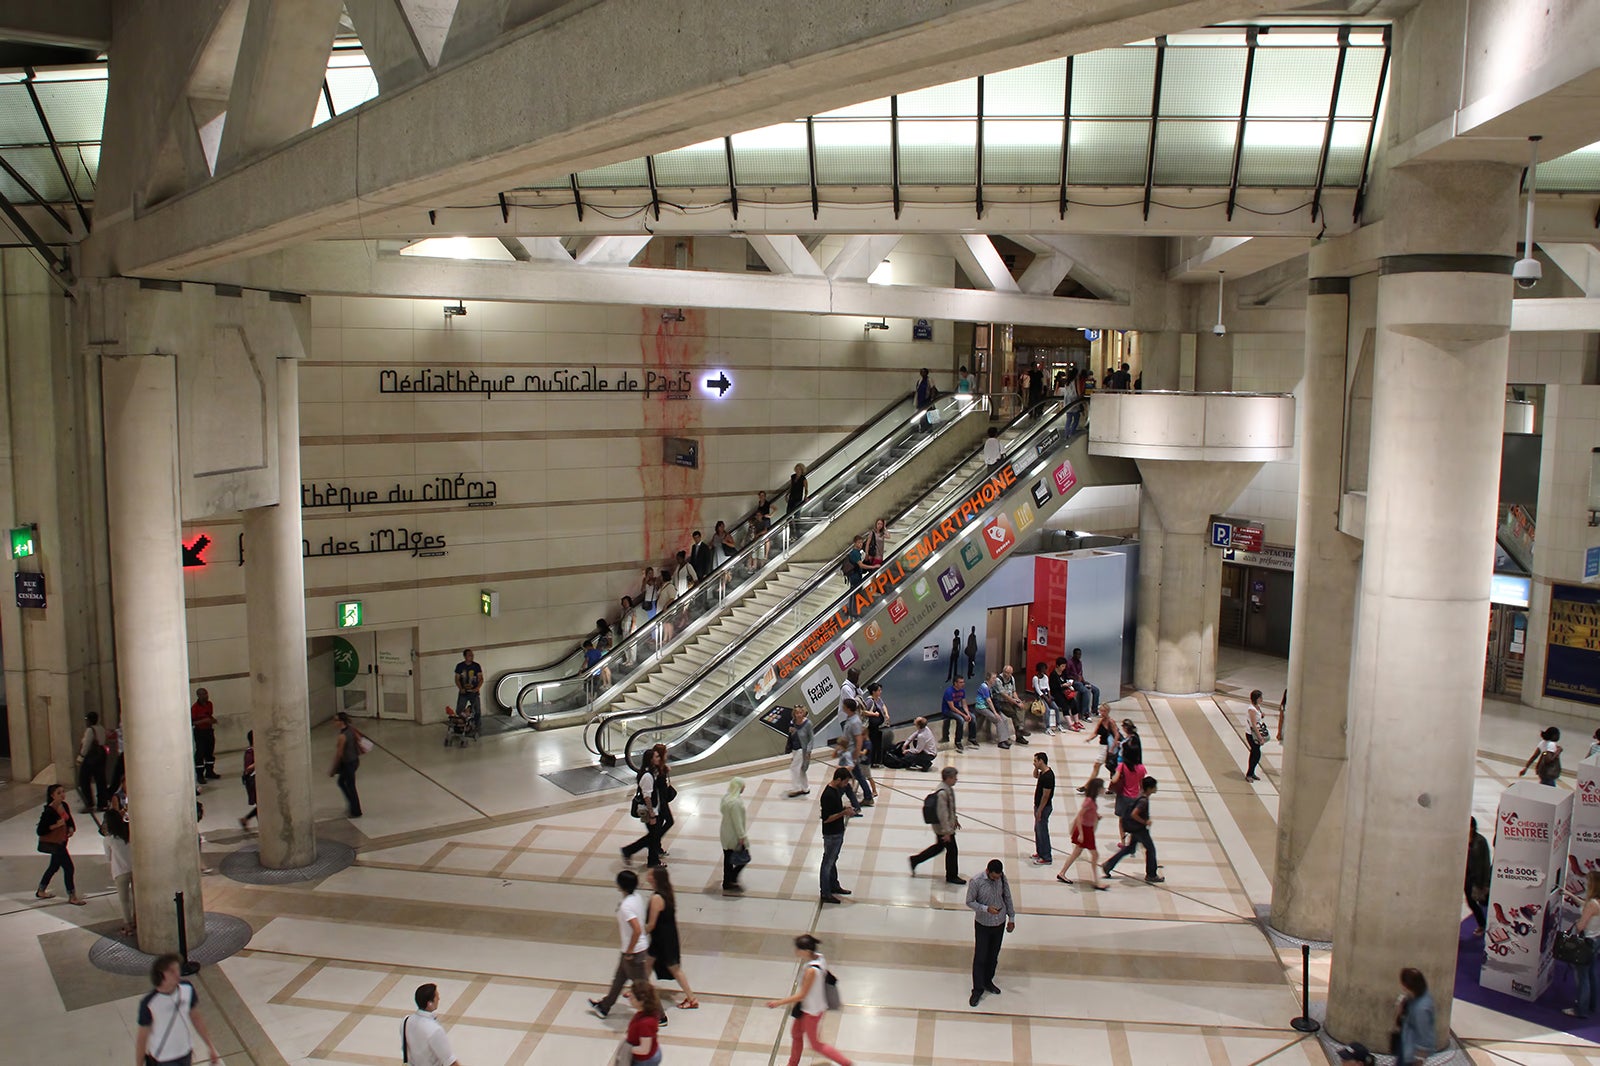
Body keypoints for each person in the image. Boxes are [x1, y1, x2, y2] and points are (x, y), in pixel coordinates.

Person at [589, 871, 666, 1022]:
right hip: (632, 949)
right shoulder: (636, 897)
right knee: (619, 979)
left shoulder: (626, 907)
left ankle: (660, 1015)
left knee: (644, 986)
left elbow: (636, 929)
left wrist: (630, 951)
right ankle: (605, 1006)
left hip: (634, 952)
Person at [766, 934, 852, 1066]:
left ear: (806, 951)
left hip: (811, 1011)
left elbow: (802, 995)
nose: (795, 952)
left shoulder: (811, 971)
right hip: (810, 1006)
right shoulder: (820, 958)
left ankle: (846, 1063)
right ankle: (792, 1063)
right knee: (796, 1033)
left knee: (815, 1044)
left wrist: (778, 1002)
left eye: (798, 949)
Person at [137, 953, 220, 1066]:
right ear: (161, 975)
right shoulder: (150, 1003)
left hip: (185, 1051)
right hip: (164, 1058)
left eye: (177, 969)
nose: (177, 974)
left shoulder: (187, 988)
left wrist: (210, 1046)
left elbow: (196, 1018)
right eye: (172, 971)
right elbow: (142, 1037)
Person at [646, 865, 700, 1009]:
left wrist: (639, 932)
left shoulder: (657, 898)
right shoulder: (667, 893)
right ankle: (639, 990)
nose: (647, 876)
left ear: (655, 878)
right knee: (648, 963)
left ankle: (691, 998)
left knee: (674, 968)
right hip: (667, 936)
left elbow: (651, 923)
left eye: (650, 874)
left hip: (662, 939)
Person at [966, 859, 1015, 1007]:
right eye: (994, 877)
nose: (996, 879)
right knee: (980, 957)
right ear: (988, 872)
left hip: (999, 923)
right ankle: (977, 989)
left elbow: (1007, 897)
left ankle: (988, 981)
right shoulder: (976, 881)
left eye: (998, 877)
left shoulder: (1002, 878)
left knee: (993, 955)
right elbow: (969, 901)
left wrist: (1011, 918)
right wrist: (986, 908)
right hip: (983, 924)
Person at [1102, 776, 1163, 884]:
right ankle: (1151, 874)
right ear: (1149, 788)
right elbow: (1134, 814)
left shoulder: (1140, 795)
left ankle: (1108, 865)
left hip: (1134, 828)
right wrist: (1145, 822)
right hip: (1139, 829)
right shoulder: (1143, 800)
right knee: (1151, 849)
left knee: (1129, 848)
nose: (1156, 788)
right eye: (1154, 787)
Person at [909, 766, 963, 884]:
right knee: (952, 850)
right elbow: (942, 814)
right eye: (954, 778)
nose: (956, 780)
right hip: (942, 828)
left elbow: (950, 809)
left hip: (944, 827)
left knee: (939, 847)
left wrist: (955, 819)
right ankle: (952, 876)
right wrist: (947, 832)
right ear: (948, 778)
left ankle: (915, 860)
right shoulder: (942, 793)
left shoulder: (947, 788)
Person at [35, 783, 84, 905]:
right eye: (59, 793)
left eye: (63, 792)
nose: (62, 795)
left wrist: (71, 828)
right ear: (52, 796)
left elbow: (69, 820)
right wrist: (56, 825)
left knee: (54, 866)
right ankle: (72, 896)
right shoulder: (49, 811)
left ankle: (41, 890)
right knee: (69, 868)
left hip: (62, 841)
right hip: (56, 844)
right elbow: (40, 830)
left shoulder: (64, 806)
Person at [1057, 778, 1111, 889]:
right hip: (1085, 831)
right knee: (1095, 855)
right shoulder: (1089, 801)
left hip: (1087, 829)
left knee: (1076, 853)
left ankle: (1062, 873)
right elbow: (1080, 816)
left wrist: (1096, 815)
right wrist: (1081, 834)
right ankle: (1096, 881)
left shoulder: (1091, 800)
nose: (1103, 789)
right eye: (1102, 788)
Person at [819, 767, 859, 904]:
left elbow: (835, 810)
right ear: (838, 779)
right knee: (827, 863)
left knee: (832, 860)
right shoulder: (828, 795)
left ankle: (834, 885)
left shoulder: (836, 790)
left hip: (838, 831)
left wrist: (845, 810)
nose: (846, 784)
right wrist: (843, 813)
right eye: (845, 781)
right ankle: (825, 892)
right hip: (831, 834)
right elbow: (826, 818)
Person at [621, 748, 666, 867]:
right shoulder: (647, 776)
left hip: (655, 810)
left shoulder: (651, 772)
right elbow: (647, 797)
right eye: (656, 757)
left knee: (653, 836)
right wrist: (652, 814)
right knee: (653, 836)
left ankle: (648, 858)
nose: (659, 758)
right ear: (650, 760)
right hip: (650, 811)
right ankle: (650, 859)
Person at [1565, 870, 1600, 1018]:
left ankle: (1581, 1009)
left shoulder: (1592, 904)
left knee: (1582, 976)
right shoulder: (1596, 902)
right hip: (1596, 941)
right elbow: (1586, 905)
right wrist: (1569, 894)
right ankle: (1591, 1005)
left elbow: (1581, 926)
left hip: (1586, 942)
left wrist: (1576, 923)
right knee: (1591, 974)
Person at [401, 983, 462, 1066]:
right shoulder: (435, 1030)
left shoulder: (406, 1021)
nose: (439, 999)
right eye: (436, 997)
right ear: (429, 1003)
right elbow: (450, 1061)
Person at [102, 803, 135, 936]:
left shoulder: (108, 839)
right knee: (136, 897)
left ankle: (128, 925)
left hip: (120, 871)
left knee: (124, 900)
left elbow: (108, 857)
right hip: (133, 869)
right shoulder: (128, 833)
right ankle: (138, 919)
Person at [1107, 738, 1147, 850]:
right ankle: (1132, 842)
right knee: (1134, 820)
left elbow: (1114, 780)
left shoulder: (1122, 766)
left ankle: (1123, 842)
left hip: (1124, 796)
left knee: (1122, 820)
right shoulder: (1141, 768)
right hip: (1136, 796)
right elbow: (1141, 783)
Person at [1391, 968, 1435, 1065]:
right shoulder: (1415, 997)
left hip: (1412, 1053)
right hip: (1406, 1042)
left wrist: (1419, 1060)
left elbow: (1424, 1035)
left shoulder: (1421, 1009)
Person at [840, 699, 875, 806]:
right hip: (848, 753)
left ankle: (838, 798)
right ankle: (867, 797)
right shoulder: (850, 719)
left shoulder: (855, 721)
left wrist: (855, 755)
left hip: (852, 754)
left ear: (848, 708)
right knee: (857, 776)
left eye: (844, 705)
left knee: (843, 775)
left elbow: (859, 739)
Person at [330, 712, 364, 818]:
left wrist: (333, 769)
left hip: (348, 763)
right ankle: (352, 805)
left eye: (335, 720)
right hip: (354, 761)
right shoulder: (351, 729)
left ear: (341, 722)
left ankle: (356, 810)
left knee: (350, 786)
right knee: (342, 782)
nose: (334, 723)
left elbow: (339, 754)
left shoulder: (342, 736)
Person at [1080, 705, 1119, 793]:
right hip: (1102, 747)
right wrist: (1089, 738)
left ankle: (1087, 786)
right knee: (1110, 767)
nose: (1102, 713)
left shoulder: (1111, 722)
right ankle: (1112, 787)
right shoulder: (1101, 721)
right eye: (1100, 711)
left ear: (1108, 711)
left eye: (1103, 711)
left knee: (1099, 765)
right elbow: (1095, 732)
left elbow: (1116, 734)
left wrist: (1112, 747)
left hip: (1108, 747)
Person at [721, 777, 750, 892]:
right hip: (733, 835)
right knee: (742, 858)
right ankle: (729, 879)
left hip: (725, 832)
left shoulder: (726, 798)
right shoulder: (736, 803)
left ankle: (728, 880)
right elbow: (737, 822)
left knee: (727, 858)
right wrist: (742, 836)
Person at [624, 983, 664, 1065]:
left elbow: (644, 1049)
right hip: (650, 1052)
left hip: (644, 1060)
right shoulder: (645, 1012)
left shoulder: (645, 1023)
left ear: (641, 1001)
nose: (629, 998)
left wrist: (627, 1048)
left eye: (632, 997)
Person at [1464, 817, 1491, 936]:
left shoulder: (1480, 841)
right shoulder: (1462, 839)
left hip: (1479, 877)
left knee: (1484, 902)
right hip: (1467, 877)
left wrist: (1486, 883)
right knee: (1471, 902)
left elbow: (1485, 862)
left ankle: (1490, 924)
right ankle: (1482, 924)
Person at [76, 711, 109, 812]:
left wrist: (80, 757)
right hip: (101, 755)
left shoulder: (90, 730)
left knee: (84, 779)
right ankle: (102, 803)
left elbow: (86, 745)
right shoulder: (102, 729)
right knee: (100, 780)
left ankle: (89, 803)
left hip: (92, 757)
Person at [989, 667, 1030, 744]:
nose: (1007, 674)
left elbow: (1013, 691)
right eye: (1006, 672)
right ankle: (1020, 730)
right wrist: (1015, 702)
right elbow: (1004, 695)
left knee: (1021, 708)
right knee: (1013, 713)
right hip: (1001, 702)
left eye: (1009, 673)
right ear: (1003, 671)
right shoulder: (998, 680)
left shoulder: (1012, 678)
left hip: (1011, 700)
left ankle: (1020, 733)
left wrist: (1018, 701)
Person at [970, 677, 1011, 749]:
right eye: (993, 678)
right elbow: (989, 701)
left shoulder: (992, 687)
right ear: (989, 679)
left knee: (1004, 719)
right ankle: (1001, 741)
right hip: (982, 707)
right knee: (998, 719)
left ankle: (1006, 738)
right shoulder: (984, 687)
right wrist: (995, 713)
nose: (995, 680)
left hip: (989, 707)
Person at [1030, 752, 1055, 866]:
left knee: (1042, 831)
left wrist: (1039, 810)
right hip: (1039, 806)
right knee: (1038, 830)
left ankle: (1046, 856)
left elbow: (1045, 796)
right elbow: (1035, 776)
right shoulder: (1043, 773)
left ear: (1041, 761)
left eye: (1035, 761)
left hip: (1044, 808)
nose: (1034, 762)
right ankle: (1040, 851)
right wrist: (1036, 768)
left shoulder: (1049, 777)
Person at [191, 687, 219, 785]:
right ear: (198, 695)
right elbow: (192, 722)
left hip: (209, 731)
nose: (205, 696)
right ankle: (200, 775)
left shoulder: (209, 704)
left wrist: (212, 720)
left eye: (206, 694)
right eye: (202, 694)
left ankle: (210, 771)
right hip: (200, 732)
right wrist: (204, 721)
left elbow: (209, 715)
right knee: (200, 753)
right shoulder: (194, 708)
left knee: (209, 752)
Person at [941, 676, 976, 752]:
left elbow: (964, 704)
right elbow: (952, 707)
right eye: (961, 682)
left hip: (957, 708)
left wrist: (967, 714)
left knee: (973, 717)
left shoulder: (962, 691)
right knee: (961, 720)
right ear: (955, 683)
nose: (963, 684)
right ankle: (958, 741)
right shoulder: (949, 691)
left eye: (963, 682)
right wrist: (963, 715)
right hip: (948, 710)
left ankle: (972, 738)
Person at [785, 706, 814, 797]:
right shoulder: (792, 722)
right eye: (797, 713)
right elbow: (791, 735)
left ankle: (796, 788)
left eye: (800, 713)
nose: (798, 715)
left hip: (802, 749)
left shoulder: (808, 723)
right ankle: (805, 788)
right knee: (801, 769)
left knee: (794, 768)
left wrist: (808, 751)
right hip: (794, 747)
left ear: (804, 713)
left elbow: (811, 738)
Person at [454, 649, 483, 732]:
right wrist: (461, 688)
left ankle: (477, 727)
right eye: (469, 655)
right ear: (465, 656)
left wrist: (477, 688)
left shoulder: (476, 666)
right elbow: (457, 679)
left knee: (477, 710)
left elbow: (481, 679)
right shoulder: (460, 666)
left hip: (474, 692)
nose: (472, 657)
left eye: (472, 655)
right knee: (459, 709)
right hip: (464, 692)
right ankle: (460, 726)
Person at [861, 682, 889, 766]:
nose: (880, 692)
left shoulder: (878, 699)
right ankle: (870, 761)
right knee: (872, 743)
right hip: (870, 727)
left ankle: (876, 760)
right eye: (879, 690)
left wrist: (886, 714)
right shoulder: (869, 701)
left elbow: (883, 705)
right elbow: (863, 712)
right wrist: (874, 714)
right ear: (874, 692)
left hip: (876, 726)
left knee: (877, 742)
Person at [1066, 648, 1100, 716]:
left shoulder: (1080, 663)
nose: (1079, 656)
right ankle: (1085, 713)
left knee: (1096, 690)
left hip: (1080, 682)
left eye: (1080, 654)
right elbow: (1066, 676)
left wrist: (1084, 682)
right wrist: (1074, 678)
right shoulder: (1069, 663)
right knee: (1086, 691)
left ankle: (1094, 710)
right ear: (1074, 654)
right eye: (1078, 654)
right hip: (1073, 682)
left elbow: (1080, 674)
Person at [1031, 663, 1059, 735]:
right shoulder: (1035, 678)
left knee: (1056, 708)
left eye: (1045, 668)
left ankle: (1058, 724)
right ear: (1039, 669)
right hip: (1040, 696)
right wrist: (1046, 698)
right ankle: (1047, 728)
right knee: (1047, 710)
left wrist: (1049, 697)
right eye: (1043, 668)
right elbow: (1037, 690)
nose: (1044, 670)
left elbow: (1048, 687)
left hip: (1047, 695)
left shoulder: (1046, 677)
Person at [1244, 689, 1266, 783]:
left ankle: (1252, 772)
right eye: (1260, 697)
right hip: (1251, 734)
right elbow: (1253, 724)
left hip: (1257, 732)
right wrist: (1260, 737)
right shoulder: (1251, 709)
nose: (1262, 699)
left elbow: (1259, 718)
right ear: (1256, 698)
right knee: (1256, 753)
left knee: (1255, 753)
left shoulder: (1257, 707)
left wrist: (1262, 715)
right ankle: (1249, 774)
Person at [239, 729, 258, 829]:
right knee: (261, 805)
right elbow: (248, 769)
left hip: (257, 780)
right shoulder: (250, 752)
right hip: (253, 781)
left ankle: (246, 819)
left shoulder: (257, 750)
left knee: (261, 805)